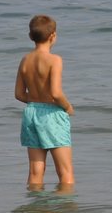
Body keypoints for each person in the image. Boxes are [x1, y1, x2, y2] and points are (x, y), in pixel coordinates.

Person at [15, 15, 74, 190]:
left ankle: (35, 212)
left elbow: (19, 94)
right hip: (52, 115)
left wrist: (35, 100)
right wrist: (67, 106)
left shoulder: (25, 60)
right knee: (65, 171)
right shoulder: (54, 60)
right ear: (53, 36)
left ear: (30, 36)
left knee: (35, 170)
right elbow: (56, 92)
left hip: (31, 113)